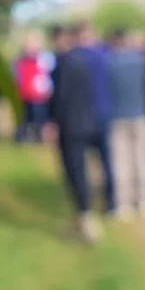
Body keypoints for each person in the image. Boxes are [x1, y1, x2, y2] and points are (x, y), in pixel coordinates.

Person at [47, 22, 115, 243]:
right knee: (103, 162)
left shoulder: (65, 61)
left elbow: (60, 96)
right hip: (97, 119)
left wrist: (53, 122)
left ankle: (86, 216)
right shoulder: (100, 58)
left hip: (73, 123)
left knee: (76, 168)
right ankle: (109, 203)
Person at [105, 29, 145, 219]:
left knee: (121, 161)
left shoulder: (108, 62)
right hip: (141, 114)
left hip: (117, 117)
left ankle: (123, 204)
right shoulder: (141, 61)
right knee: (142, 158)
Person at [13, 31, 53, 143]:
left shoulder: (44, 60)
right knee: (23, 118)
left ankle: (38, 136)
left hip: (38, 95)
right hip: (23, 94)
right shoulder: (21, 61)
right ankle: (21, 137)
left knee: (38, 118)